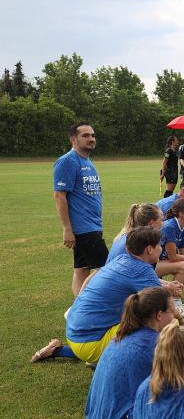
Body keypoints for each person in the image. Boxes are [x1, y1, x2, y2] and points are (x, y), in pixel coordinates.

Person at [31, 227, 183, 365]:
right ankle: (171, 362)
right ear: (149, 249)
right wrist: (182, 324)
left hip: (75, 334)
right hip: (91, 343)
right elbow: (167, 308)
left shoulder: (121, 260)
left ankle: (58, 350)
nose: (161, 248)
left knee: (135, 317)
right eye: (159, 245)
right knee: (168, 322)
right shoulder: (142, 270)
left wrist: (167, 286)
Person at [84, 288, 182, 419]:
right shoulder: (155, 343)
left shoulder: (123, 336)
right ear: (159, 315)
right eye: (172, 311)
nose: (176, 315)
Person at [53, 122, 107, 296]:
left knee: (81, 270)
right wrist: (67, 229)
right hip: (84, 227)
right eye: (85, 136)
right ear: (73, 139)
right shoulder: (67, 161)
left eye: (92, 135)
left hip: (93, 225)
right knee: (106, 270)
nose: (91, 139)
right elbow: (59, 196)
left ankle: (77, 309)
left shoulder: (87, 161)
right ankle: (88, 309)